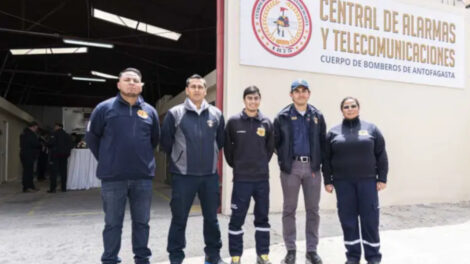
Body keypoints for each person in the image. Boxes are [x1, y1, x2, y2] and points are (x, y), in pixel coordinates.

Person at [86, 68, 160, 264]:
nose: (132, 83)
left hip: (142, 178)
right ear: (119, 84)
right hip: (113, 178)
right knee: (112, 223)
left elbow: (154, 140)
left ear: (141, 85)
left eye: (136, 80)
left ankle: (142, 258)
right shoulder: (104, 108)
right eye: (127, 80)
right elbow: (92, 137)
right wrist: (106, 159)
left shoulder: (150, 111)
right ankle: (110, 259)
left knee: (142, 223)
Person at [160, 74, 225, 264]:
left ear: (205, 91)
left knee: (211, 219)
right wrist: (180, 158)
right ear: (187, 90)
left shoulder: (216, 114)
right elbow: (166, 143)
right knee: (179, 219)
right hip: (183, 177)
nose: (197, 90)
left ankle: (213, 255)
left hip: (209, 176)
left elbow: (220, 141)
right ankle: (176, 257)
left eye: (200, 87)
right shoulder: (175, 113)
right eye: (193, 86)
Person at [322, 97, 388, 264]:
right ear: (342, 110)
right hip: (343, 184)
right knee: (348, 220)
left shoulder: (371, 129)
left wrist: (382, 178)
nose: (350, 109)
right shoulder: (334, 132)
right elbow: (326, 159)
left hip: (367, 183)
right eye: (346, 107)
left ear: (358, 108)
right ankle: (352, 257)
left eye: (353, 106)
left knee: (370, 220)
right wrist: (328, 181)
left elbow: (381, 155)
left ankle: (373, 257)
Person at [274, 79, 326, 264]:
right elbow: (275, 142)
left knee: (313, 210)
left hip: (312, 168)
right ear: (291, 95)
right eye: (297, 91)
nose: (301, 94)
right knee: (289, 210)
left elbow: (322, 143)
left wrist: (320, 165)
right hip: (291, 169)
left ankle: (311, 250)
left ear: (309, 94)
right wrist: (284, 161)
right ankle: (291, 250)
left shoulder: (317, 115)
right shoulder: (282, 116)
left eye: (304, 91)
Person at [224, 86, 274, 264]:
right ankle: (236, 255)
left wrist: (259, 164)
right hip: (241, 180)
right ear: (244, 100)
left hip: (261, 180)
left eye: (256, 98)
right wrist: (238, 165)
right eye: (250, 98)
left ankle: (263, 254)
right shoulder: (233, 122)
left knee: (262, 218)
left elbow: (269, 150)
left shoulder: (266, 122)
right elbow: (228, 151)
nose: (253, 101)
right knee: (237, 218)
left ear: (259, 100)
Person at [47, 123, 73, 193]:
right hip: (64, 155)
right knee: (63, 171)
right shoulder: (67, 135)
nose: (54, 128)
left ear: (58, 127)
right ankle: (63, 188)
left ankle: (53, 189)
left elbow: (50, 143)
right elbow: (71, 145)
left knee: (54, 172)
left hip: (55, 155)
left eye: (55, 126)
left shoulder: (54, 134)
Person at [20, 121, 41, 192]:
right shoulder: (30, 134)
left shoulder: (24, 133)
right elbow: (35, 144)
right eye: (36, 127)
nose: (37, 129)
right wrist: (39, 144)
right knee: (28, 171)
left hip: (25, 153)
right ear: (33, 126)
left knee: (28, 171)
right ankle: (27, 187)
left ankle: (30, 186)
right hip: (29, 154)